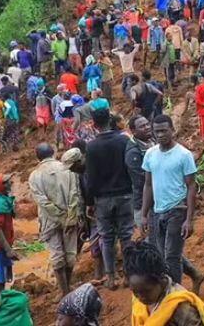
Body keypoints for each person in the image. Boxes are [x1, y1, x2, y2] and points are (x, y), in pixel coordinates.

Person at [143, 114, 203, 293]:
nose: (160, 135)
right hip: (157, 210)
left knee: (171, 256)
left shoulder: (184, 155)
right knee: (163, 253)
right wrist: (144, 214)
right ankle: (195, 274)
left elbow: (191, 186)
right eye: (156, 132)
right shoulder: (150, 154)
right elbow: (148, 184)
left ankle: (176, 294)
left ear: (172, 130)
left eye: (164, 130)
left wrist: (189, 219)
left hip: (178, 209)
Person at [84, 105, 135, 290]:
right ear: (110, 120)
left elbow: (91, 178)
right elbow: (130, 167)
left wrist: (89, 203)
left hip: (102, 199)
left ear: (94, 125)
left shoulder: (91, 147)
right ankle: (129, 275)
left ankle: (111, 277)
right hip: (125, 194)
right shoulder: (123, 142)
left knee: (107, 237)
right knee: (126, 235)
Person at [28, 142, 82, 296]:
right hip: (69, 218)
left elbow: (42, 202)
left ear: (37, 157)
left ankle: (63, 291)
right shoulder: (67, 169)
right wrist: (69, 217)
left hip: (49, 220)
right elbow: (74, 194)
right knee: (70, 253)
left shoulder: (34, 176)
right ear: (54, 153)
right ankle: (68, 285)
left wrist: (58, 216)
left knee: (56, 255)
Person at [125, 241, 204, 326]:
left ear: (162, 280)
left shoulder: (181, 307)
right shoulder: (141, 297)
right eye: (135, 293)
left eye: (146, 292)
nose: (141, 298)